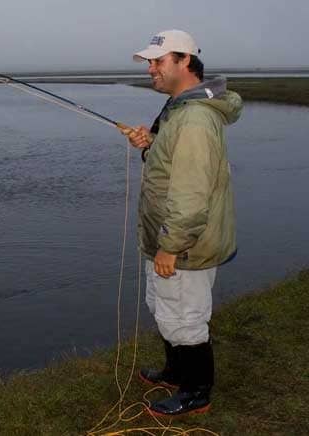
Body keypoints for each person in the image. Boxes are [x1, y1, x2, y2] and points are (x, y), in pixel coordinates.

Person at [122, 29, 243, 417]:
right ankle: (176, 371)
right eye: (150, 63)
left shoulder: (192, 120)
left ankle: (196, 393)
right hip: (168, 239)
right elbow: (172, 166)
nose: (151, 69)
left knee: (186, 318)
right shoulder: (177, 110)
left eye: (158, 61)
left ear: (184, 61)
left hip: (185, 244)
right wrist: (151, 144)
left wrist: (171, 246)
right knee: (164, 306)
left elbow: (191, 193)